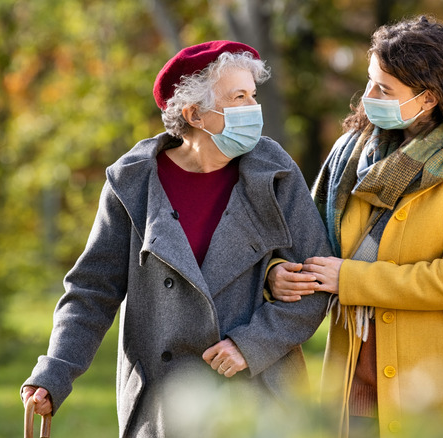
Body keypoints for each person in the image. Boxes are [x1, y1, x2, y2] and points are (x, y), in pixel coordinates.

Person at [21, 40, 332, 437]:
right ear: (194, 114)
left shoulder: (274, 171)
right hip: (164, 403)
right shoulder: (132, 182)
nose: (253, 109)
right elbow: (92, 291)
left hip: (262, 397)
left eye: (252, 96)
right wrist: (54, 372)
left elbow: (318, 278)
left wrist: (251, 344)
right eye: (238, 97)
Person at [268, 16, 443, 437]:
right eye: (370, 81)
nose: (368, 97)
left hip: (440, 387)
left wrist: (350, 279)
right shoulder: (351, 157)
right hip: (354, 381)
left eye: (384, 89)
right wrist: (277, 275)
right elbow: (305, 244)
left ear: (427, 98)